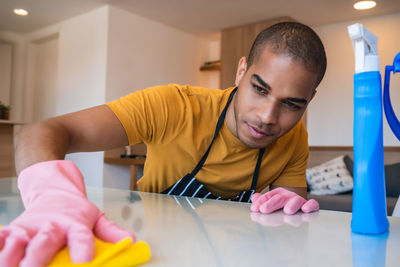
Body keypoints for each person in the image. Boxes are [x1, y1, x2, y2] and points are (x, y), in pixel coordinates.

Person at [0, 21, 326, 266]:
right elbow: (39, 132)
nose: (268, 117)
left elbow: (289, 219)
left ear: (309, 100)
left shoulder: (295, 139)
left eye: (292, 104)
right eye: (260, 89)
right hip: (150, 250)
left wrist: (291, 209)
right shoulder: (174, 106)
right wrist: (55, 196)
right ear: (241, 72)